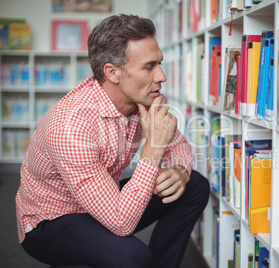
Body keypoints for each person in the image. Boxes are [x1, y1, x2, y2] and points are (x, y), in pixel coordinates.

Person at [15, 14, 210, 268]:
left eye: (159, 64)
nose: (161, 76)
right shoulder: (70, 126)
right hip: (52, 220)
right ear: (112, 72)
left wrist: (180, 171)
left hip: (103, 200)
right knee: (132, 256)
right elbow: (121, 222)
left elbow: (180, 148)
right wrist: (154, 148)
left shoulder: (143, 99)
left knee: (194, 185)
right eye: (149, 66)